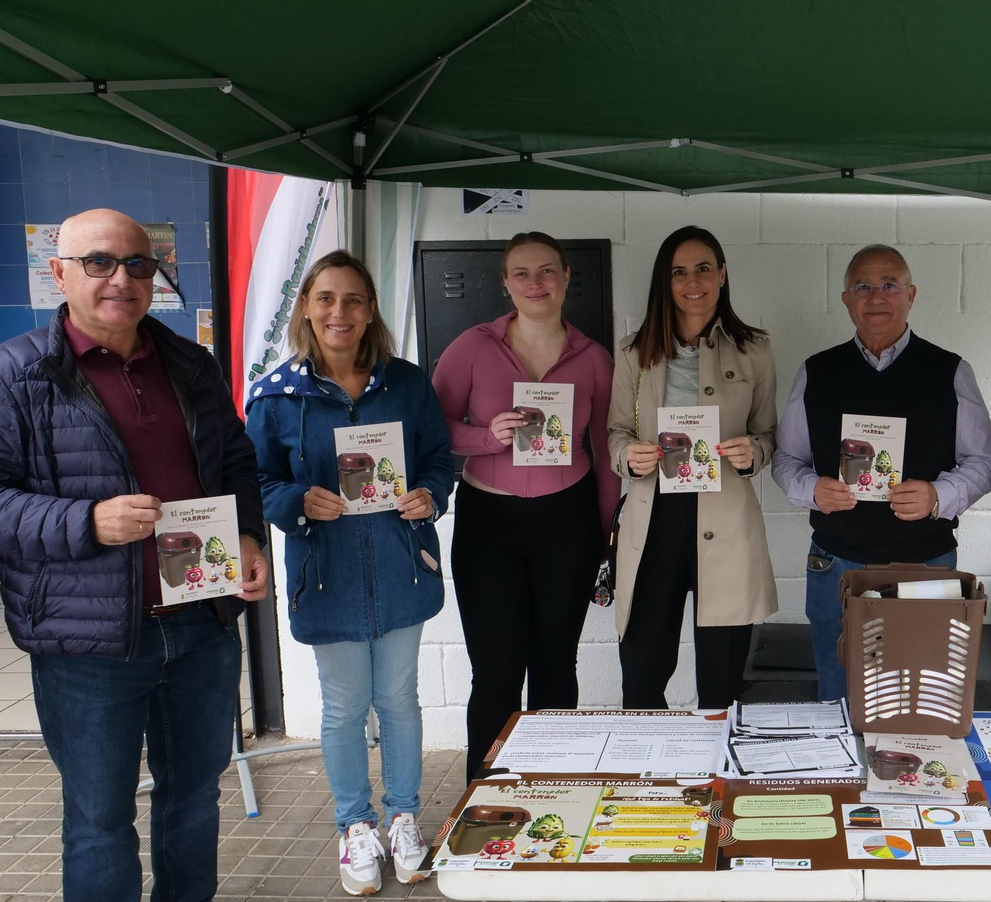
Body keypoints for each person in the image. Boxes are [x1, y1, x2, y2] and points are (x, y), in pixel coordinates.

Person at [0, 208, 269, 902]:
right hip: (90, 646)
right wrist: (86, 522)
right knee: (101, 821)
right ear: (59, 274)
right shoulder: (4, 377)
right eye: (98, 262)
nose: (121, 279)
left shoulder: (190, 363)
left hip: (201, 622)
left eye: (139, 264)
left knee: (193, 804)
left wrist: (248, 536)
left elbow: (236, 463)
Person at [246, 250, 453, 893]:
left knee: (397, 700)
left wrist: (429, 495)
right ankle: (354, 824)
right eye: (327, 298)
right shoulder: (276, 395)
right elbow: (251, 480)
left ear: (370, 312)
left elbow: (441, 461)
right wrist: (294, 502)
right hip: (326, 573)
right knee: (342, 708)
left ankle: (402, 818)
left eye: (354, 300)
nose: (341, 312)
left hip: (401, 568)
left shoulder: (409, 384)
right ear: (308, 306)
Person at [772, 244, 991, 701]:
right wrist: (812, 489)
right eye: (863, 286)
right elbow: (785, 460)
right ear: (845, 298)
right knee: (837, 698)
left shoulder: (949, 371)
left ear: (911, 295)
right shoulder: (816, 372)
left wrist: (938, 494)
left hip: (926, 563)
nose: (876, 296)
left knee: (918, 702)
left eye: (889, 285)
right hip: (836, 561)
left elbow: (986, 461)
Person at [432, 232, 618, 776]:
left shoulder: (593, 358)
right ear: (505, 283)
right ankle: (483, 802)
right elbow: (432, 432)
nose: (535, 284)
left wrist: (606, 533)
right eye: (521, 273)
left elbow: (605, 450)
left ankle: (553, 787)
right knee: (495, 671)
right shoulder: (472, 347)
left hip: (569, 520)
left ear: (564, 277)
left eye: (546, 272)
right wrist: (487, 438)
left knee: (557, 665)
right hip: (490, 523)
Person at [607, 226, 777, 709]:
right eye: (678, 271)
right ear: (665, 281)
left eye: (704, 268)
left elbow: (768, 434)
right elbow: (615, 433)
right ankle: (651, 778)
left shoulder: (755, 349)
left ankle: (717, 780)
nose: (692, 281)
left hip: (724, 521)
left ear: (722, 274)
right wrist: (628, 456)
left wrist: (753, 453)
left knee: (721, 684)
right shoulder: (632, 353)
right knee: (641, 675)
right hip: (653, 518)